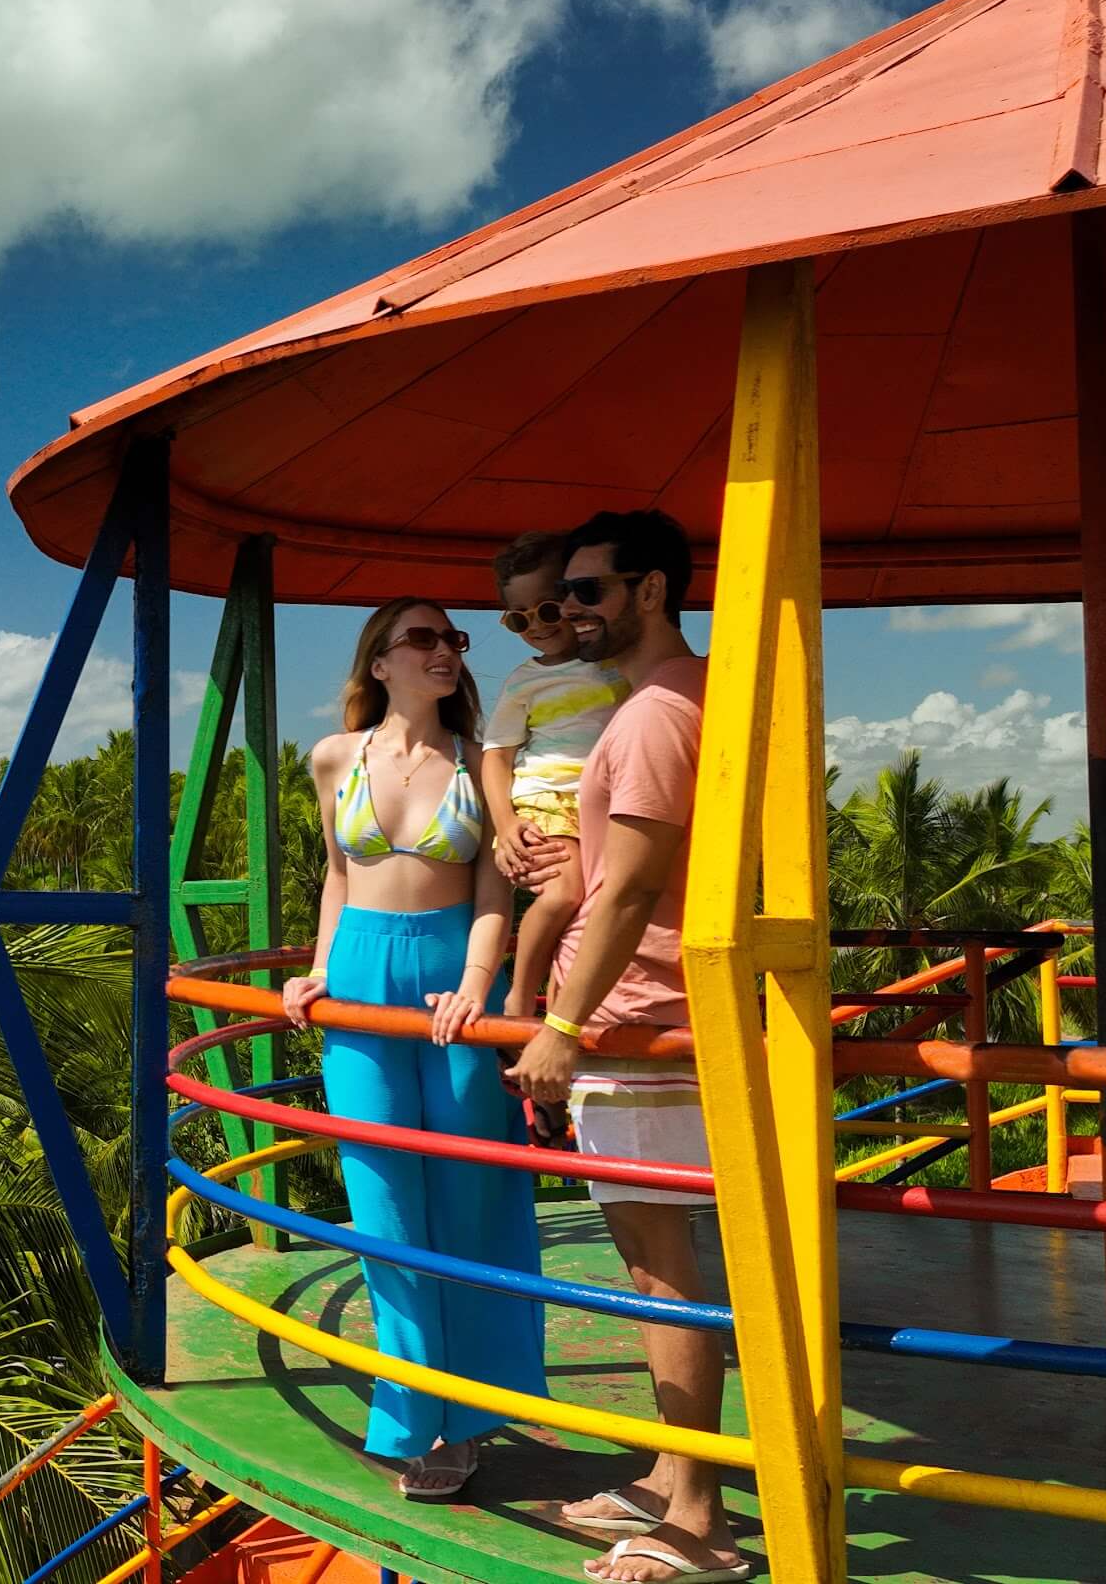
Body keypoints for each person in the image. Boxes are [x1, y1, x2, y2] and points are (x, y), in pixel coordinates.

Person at [504, 510, 748, 1584]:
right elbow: (610, 870)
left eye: (588, 593)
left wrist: (561, 1026)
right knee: (654, 1266)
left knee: (662, 1272)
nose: (568, 615)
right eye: (559, 600)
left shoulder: (654, 714)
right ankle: (665, 1471)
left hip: (642, 1020)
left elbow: (637, 885)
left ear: (651, 590)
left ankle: (696, 1515)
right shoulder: (683, 700)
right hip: (648, 1012)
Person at [281, 599, 549, 1502]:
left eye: (453, 640)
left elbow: (493, 889)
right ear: (382, 661)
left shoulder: (481, 764)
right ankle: (408, 1414)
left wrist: (480, 981)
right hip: (358, 976)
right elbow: (336, 872)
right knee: (385, 1204)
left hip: (452, 981)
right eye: (424, 639)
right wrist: (316, 971)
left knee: (472, 1195)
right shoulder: (332, 757)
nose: (445, 652)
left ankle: (469, 1419)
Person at [480, 531, 632, 1024]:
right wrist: (505, 826)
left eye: (546, 610)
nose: (535, 628)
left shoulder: (619, 664)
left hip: (607, 802)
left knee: (599, 904)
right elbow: (496, 755)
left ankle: (574, 999)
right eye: (518, 619)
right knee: (565, 894)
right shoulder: (525, 679)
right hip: (549, 797)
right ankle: (521, 996)